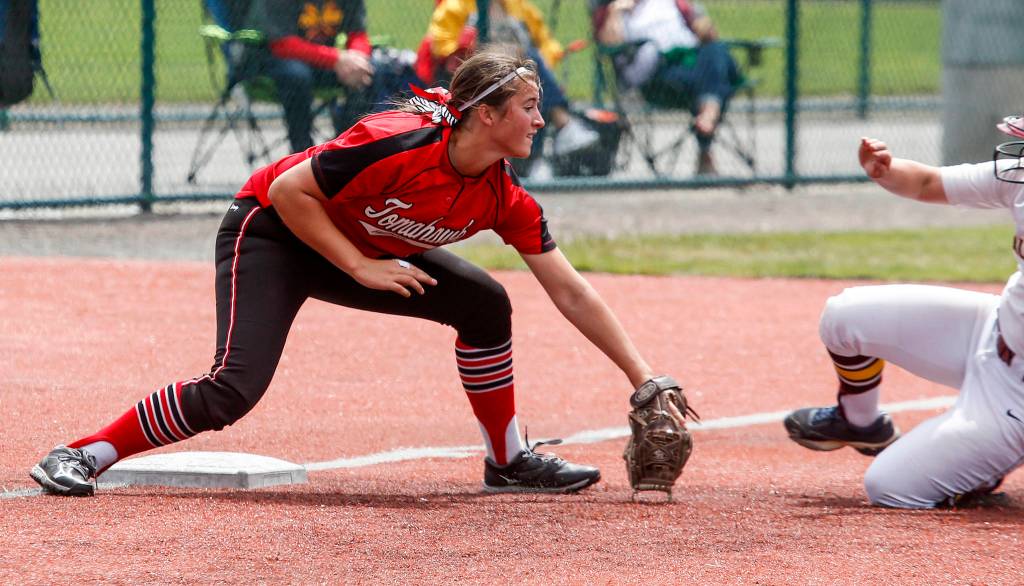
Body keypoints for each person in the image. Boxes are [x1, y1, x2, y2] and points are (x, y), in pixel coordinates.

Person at [29, 47, 678, 497]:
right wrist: (359, 265)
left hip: (357, 247)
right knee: (233, 388)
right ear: (487, 115)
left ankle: (508, 462)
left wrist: (642, 378)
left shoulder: (500, 194)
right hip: (272, 230)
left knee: (485, 304)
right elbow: (288, 190)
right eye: (529, 107)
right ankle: (83, 454)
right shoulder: (396, 141)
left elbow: (569, 289)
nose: (541, 119)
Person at [783, 122, 1024, 508]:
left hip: (1016, 398)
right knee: (844, 316)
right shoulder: (1019, 177)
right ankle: (860, 421)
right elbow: (928, 182)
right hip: (992, 329)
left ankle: (980, 464)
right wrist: (888, 170)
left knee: (890, 486)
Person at [415, 0, 600, 160]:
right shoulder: (456, 6)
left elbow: (545, 41)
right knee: (527, 67)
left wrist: (544, 58)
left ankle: (536, 156)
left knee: (529, 64)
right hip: (476, 71)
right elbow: (441, 46)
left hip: (516, 71)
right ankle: (564, 125)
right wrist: (475, 44)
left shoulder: (514, 5)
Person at [592, 0, 741, 175]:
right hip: (660, 78)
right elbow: (610, 45)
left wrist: (702, 26)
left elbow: (708, 32)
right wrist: (615, 11)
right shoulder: (616, 8)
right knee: (718, 79)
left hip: (693, 63)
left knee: (716, 50)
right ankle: (708, 120)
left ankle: (708, 115)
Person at [240, 0, 375, 153]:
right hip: (276, 60)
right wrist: (337, 59)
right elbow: (282, 45)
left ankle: (347, 149)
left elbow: (358, 34)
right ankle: (302, 153)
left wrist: (357, 60)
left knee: (370, 71)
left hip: (324, 61)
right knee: (296, 75)